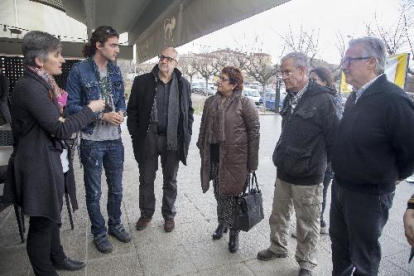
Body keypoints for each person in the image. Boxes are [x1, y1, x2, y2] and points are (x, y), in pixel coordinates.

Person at [3, 31, 105, 275]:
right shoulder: (29, 87)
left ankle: (57, 257)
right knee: (41, 223)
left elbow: (54, 119)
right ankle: (45, 271)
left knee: (53, 214)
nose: (62, 59)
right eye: (57, 54)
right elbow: (60, 128)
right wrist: (90, 110)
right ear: (39, 60)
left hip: (51, 160)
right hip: (38, 165)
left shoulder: (43, 82)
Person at [330, 36, 414, 276]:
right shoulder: (355, 98)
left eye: (349, 60)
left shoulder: (394, 99)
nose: (344, 66)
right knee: (340, 250)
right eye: (343, 60)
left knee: (364, 257)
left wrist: (394, 175)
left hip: (369, 196)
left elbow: (410, 151)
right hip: (341, 188)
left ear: (371, 62)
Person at [257, 52, 339, 276]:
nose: (283, 76)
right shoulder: (289, 97)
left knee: (307, 223)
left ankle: (306, 263)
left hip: (309, 176)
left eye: (287, 71)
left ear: (303, 71)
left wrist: (321, 167)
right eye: (281, 72)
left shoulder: (324, 99)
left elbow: (335, 141)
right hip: (284, 170)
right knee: (278, 216)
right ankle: (277, 247)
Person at [66, 26, 130, 254]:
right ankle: (99, 233)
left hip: (115, 140)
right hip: (92, 140)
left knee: (117, 190)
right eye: (113, 45)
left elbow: (122, 100)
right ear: (99, 45)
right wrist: (101, 115)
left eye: (118, 45)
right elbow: (71, 106)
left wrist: (121, 112)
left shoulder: (115, 70)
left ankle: (115, 225)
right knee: (94, 193)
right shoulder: (79, 71)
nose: (117, 50)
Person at [127, 47, 194, 233]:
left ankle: (169, 215)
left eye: (169, 59)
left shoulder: (183, 85)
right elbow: (132, 109)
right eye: (161, 57)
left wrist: (186, 133)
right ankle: (146, 213)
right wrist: (135, 133)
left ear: (176, 63)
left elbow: (188, 112)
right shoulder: (142, 82)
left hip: (172, 139)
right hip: (148, 136)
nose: (164, 61)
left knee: (170, 180)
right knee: (146, 179)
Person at [197, 66, 260, 253]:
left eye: (223, 79)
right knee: (219, 193)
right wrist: (201, 145)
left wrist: (252, 163)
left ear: (233, 84)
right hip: (215, 157)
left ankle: (234, 233)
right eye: (220, 77)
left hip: (235, 160)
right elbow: (203, 127)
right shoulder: (210, 102)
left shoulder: (245, 103)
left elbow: (254, 133)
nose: (219, 81)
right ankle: (222, 223)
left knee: (233, 197)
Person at [308, 67, 343, 234]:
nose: (311, 84)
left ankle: (317, 223)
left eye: (314, 81)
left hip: (325, 160)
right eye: (310, 81)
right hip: (316, 157)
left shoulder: (332, 100)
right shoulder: (313, 98)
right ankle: (317, 222)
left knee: (319, 193)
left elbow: (335, 134)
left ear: (325, 82)